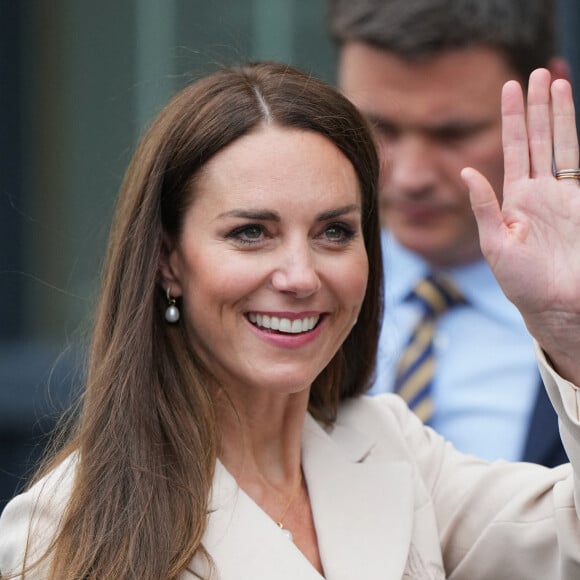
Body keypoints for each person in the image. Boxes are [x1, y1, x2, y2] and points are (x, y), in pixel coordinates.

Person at [1, 61, 580, 579]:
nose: (300, 276)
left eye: (335, 232)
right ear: (166, 261)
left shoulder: (389, 446)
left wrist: (568, 325)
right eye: (250, 233)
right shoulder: (60, 529)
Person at [327, 0, 570, 464]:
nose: (410, 176)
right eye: (379, 128)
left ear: (548, 95)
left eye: (453, 134)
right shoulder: (280, 291)